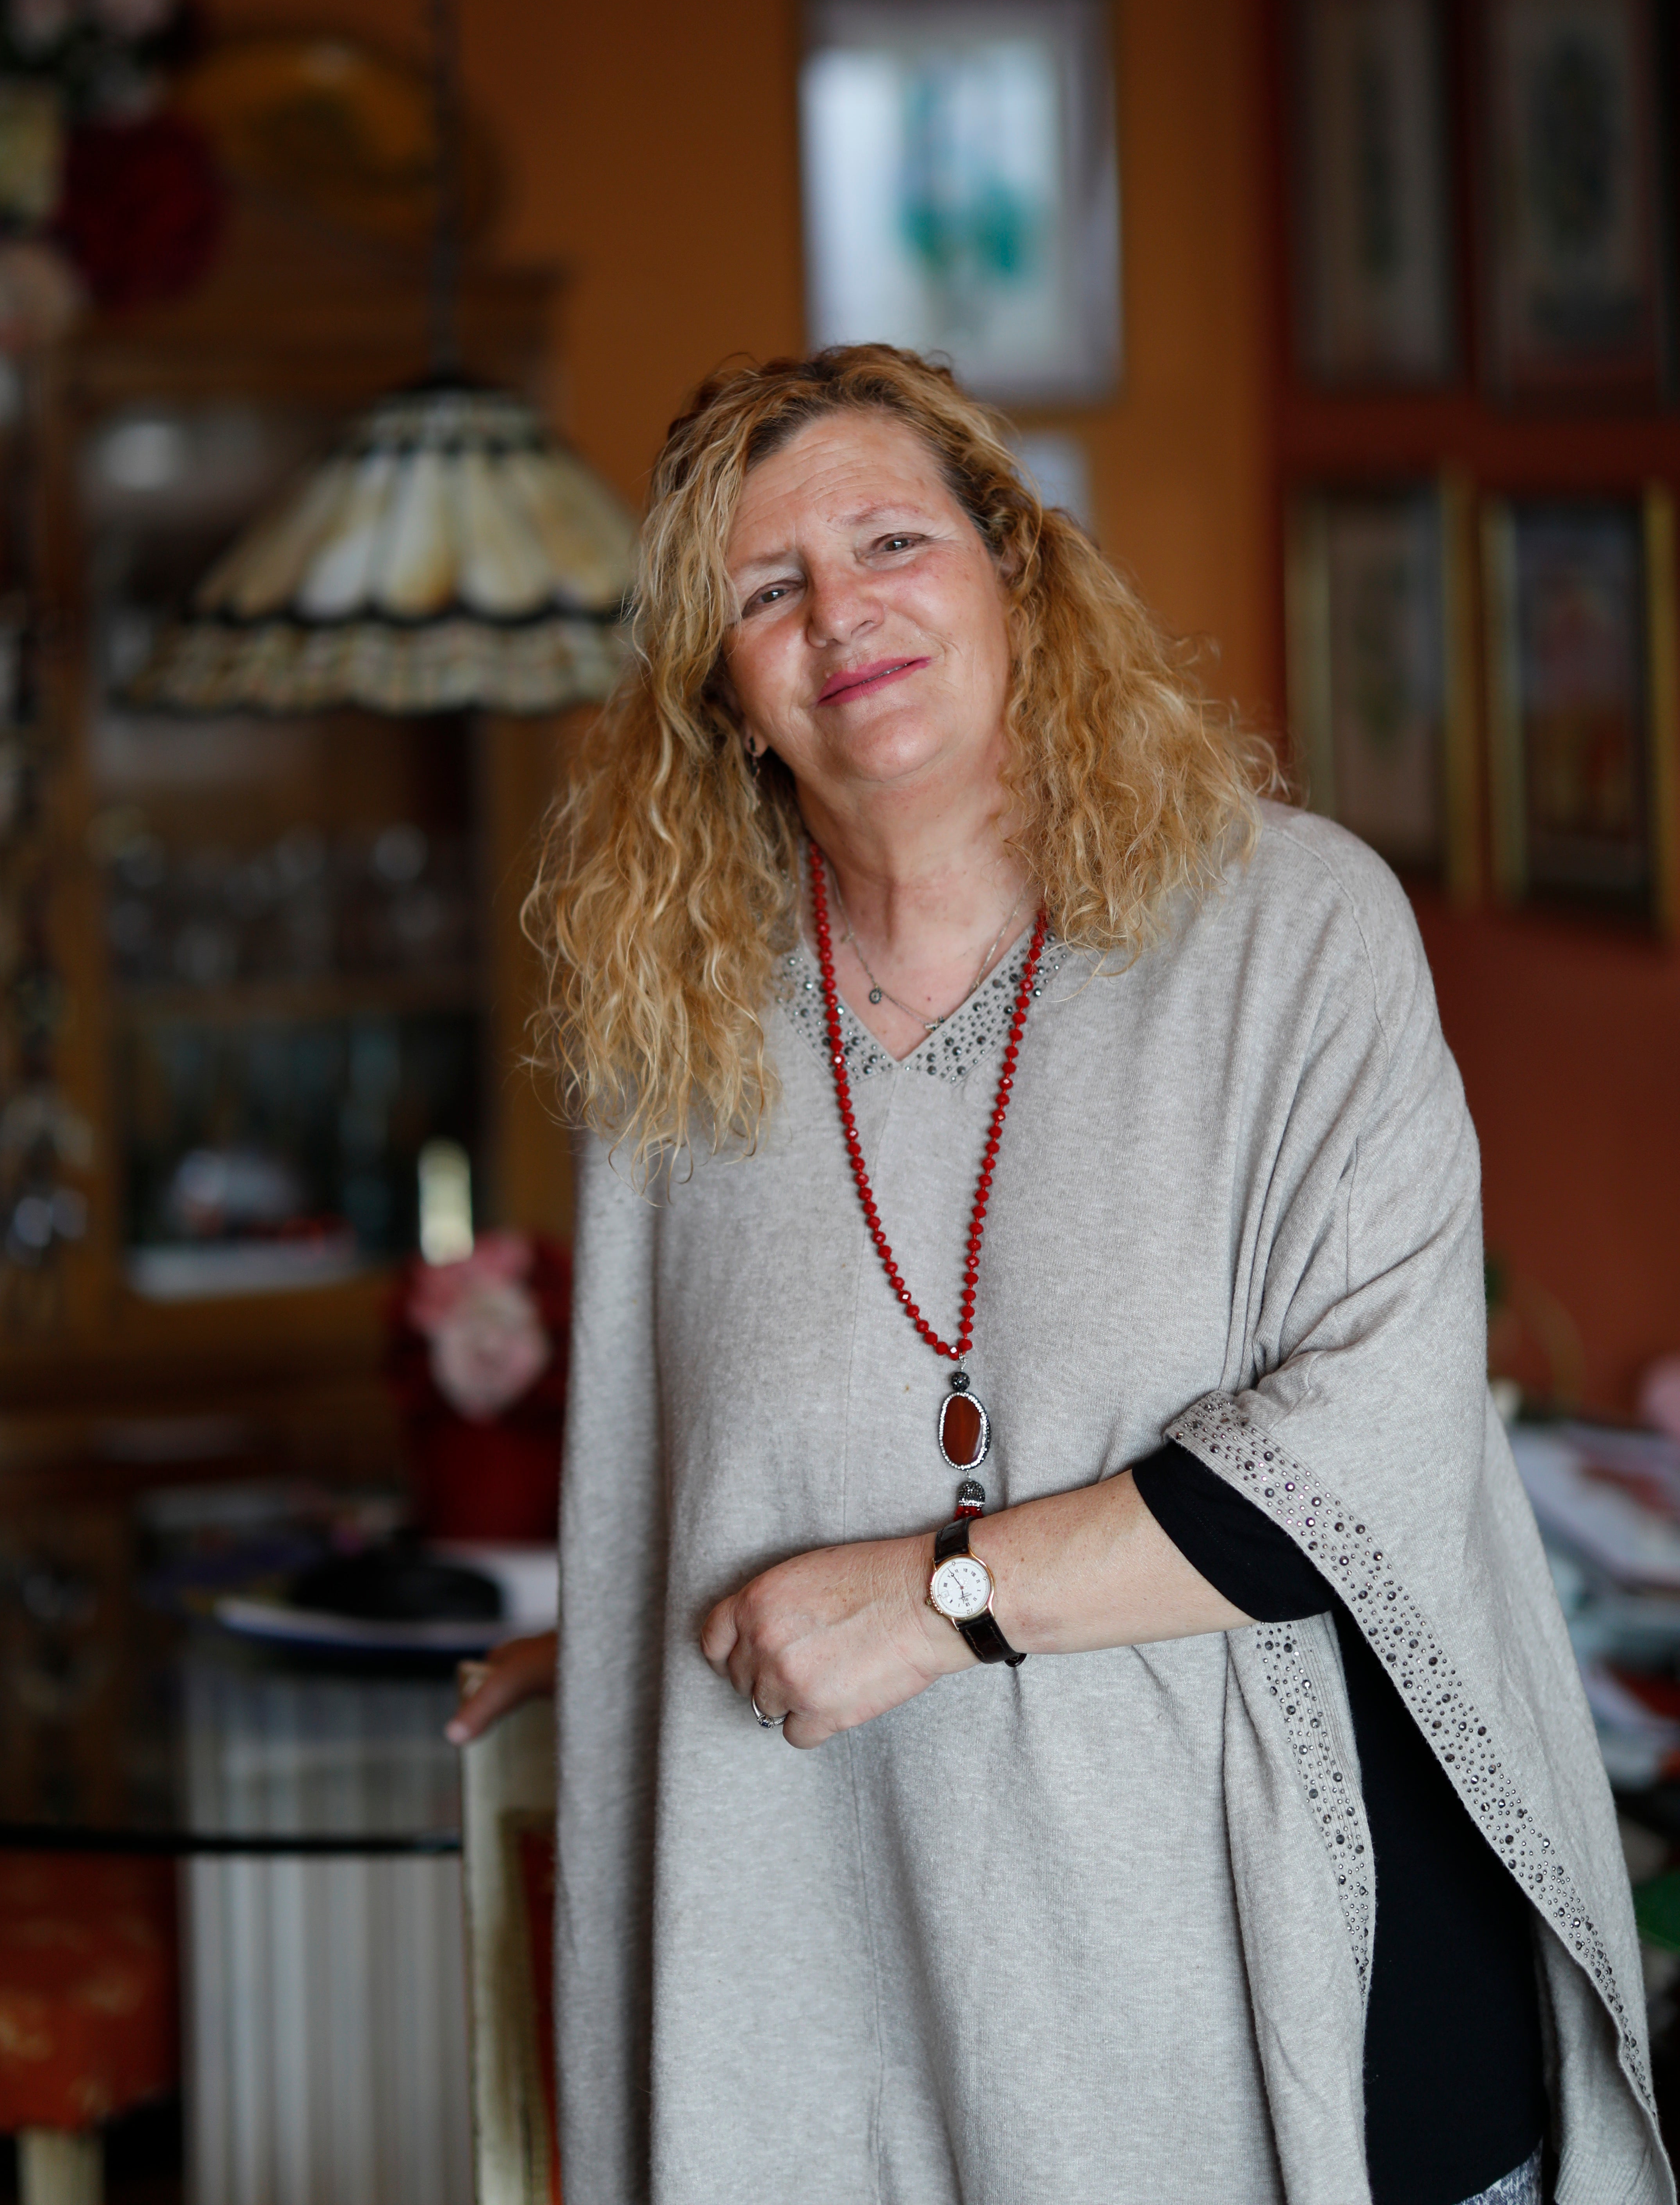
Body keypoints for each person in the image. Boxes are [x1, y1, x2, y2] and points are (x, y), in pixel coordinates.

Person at [450, 345, 1668, 2205]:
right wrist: (643, 1625)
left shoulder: (1288, 927)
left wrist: (939, 1597)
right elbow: (684, 1457)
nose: (839, 613)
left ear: (1012, 569)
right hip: (884, 1978)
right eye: (764, 590)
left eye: (888, 541)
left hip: (1298, 1990)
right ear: (720, 684)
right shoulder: (667, 1041)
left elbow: (1378, 1444)